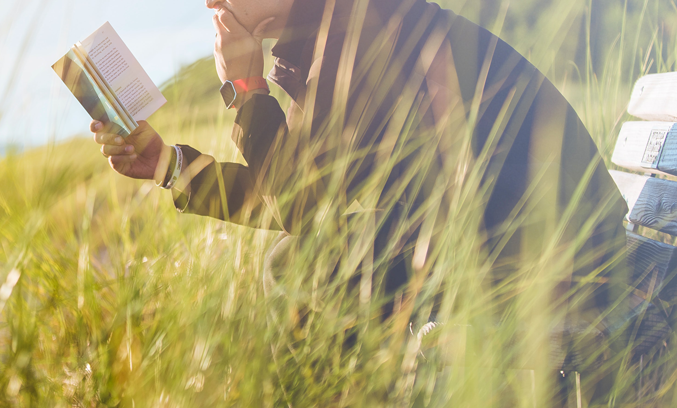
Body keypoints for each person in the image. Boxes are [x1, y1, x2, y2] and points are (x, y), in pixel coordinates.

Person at [91, 0, 629, 403]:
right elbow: (300, 199)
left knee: (298, 267)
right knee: (304, 261)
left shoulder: (363, 28)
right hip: (509, 241)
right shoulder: (329, 37)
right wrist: (168, 165)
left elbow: (297, 204)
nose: (212, 3)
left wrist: (249, 88)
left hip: (557, 261)